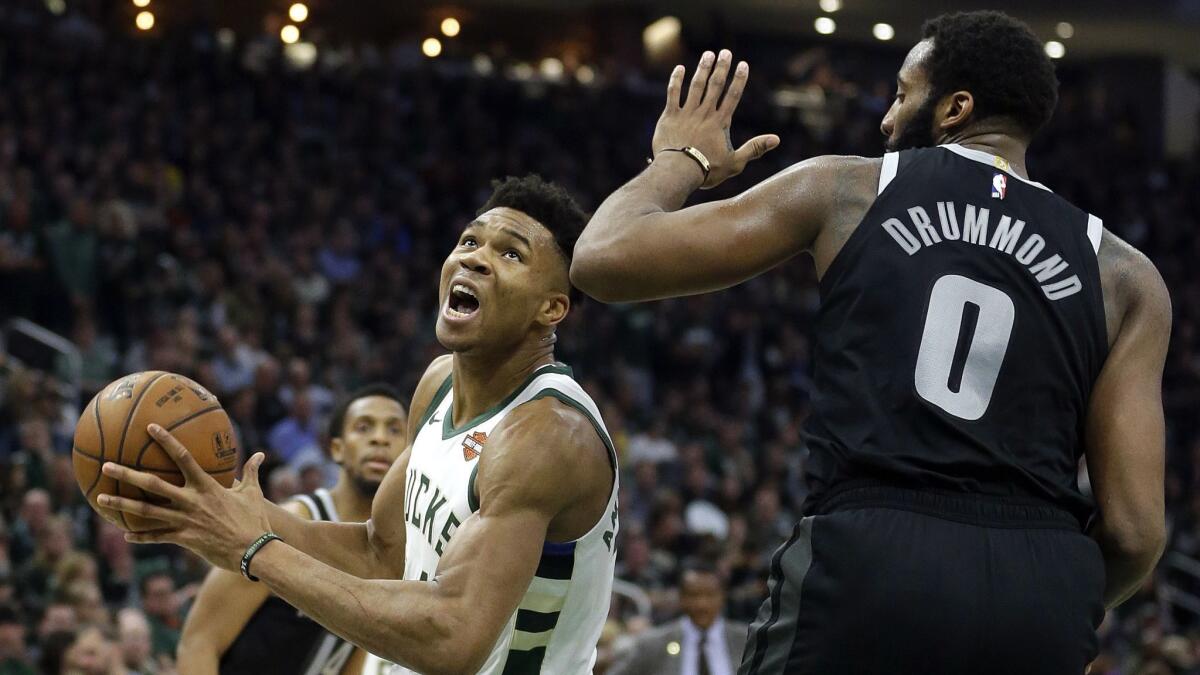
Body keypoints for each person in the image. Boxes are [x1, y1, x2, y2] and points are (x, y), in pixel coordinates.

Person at [571, 11, 1169, 675]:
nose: (886, 120)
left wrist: (678, 161)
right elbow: (1136, 530)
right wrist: (1058, 604)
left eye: (901, 94)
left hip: (875, 554)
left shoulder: (849, 189)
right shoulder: (1125, 274)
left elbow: (603, 257)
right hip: (1043, 586)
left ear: (954, 108)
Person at [98, 175, 620, 674]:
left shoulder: (547, 434)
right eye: (469, 240)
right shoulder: (439, 384)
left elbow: (453, 640)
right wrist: (235, 517)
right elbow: (380, 554)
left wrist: (253, 549)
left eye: (510, 253)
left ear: (552, 308)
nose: (476, 258)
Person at [176, 384, 408, 675]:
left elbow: (353, 656)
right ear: (336, 448)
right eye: (364, 427)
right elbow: (199, 644)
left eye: (395, 430)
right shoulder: (290, 521)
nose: (379, 439)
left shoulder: (392, 548)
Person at [609, 560, 747, 675]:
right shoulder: (653, 644)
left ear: (722, 597)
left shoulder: (747, 641)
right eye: (694, 595)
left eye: (709, 595)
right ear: (681, 598)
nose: (701, 604)